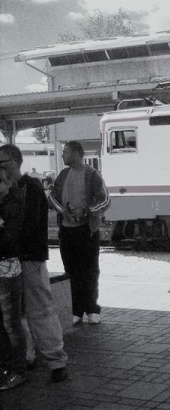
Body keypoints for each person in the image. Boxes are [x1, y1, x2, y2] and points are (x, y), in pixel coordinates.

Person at [0, 144, 69, 384]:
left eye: (3, 162)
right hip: (15, 260)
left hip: (28, 258)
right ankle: (29, 356)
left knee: (39, 309)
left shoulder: (30, 187)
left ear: (14, 162)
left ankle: (56, 361)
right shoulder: (11, 189)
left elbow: (25, 226)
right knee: (17, 315)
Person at [49, 141, 110, 326]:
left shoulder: (92, 175)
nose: (62, 156)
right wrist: (64, 211)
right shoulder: (63, 175)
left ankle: (92, 309)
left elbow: (105, 201)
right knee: (71, 270)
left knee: (89, 270)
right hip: (66, 231)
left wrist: (85, 211)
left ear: (76, 153)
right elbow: (52, 198)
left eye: (65, 152)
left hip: (86, 231)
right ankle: (76, 310)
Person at [0, 168, 27, 390]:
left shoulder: (13, 205)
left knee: (11, 324)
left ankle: (18, 370)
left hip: (7, 270)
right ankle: (6, 367)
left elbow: (9, 240)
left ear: (8, 183)